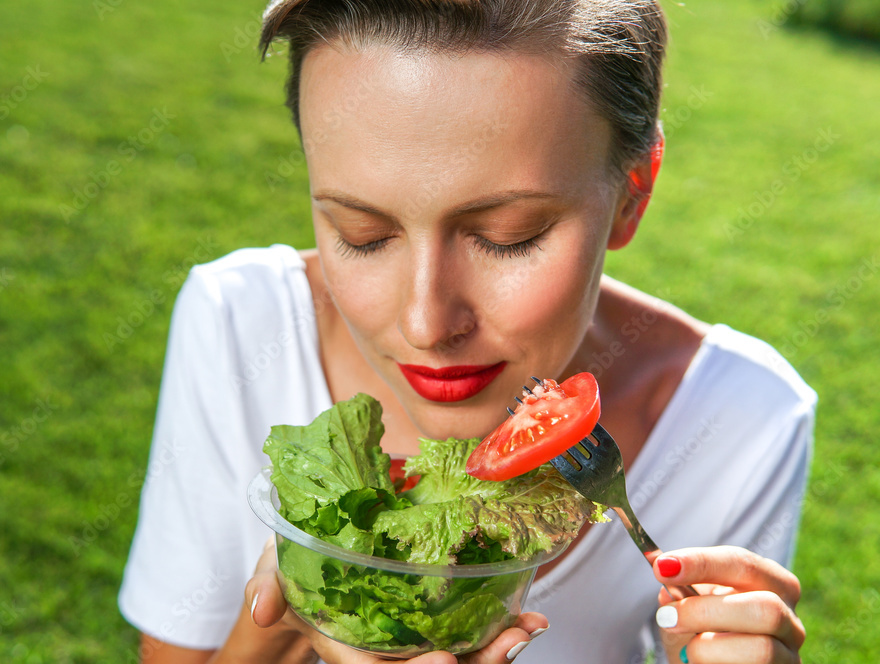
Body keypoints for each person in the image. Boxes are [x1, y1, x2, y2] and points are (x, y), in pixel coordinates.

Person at [118, 1, 815, 662]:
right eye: (362, 235)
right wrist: (289, 615)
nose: (426, 323)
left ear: (634, 190)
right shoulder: (241, 321)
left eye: (507, 238)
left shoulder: (742, 417)